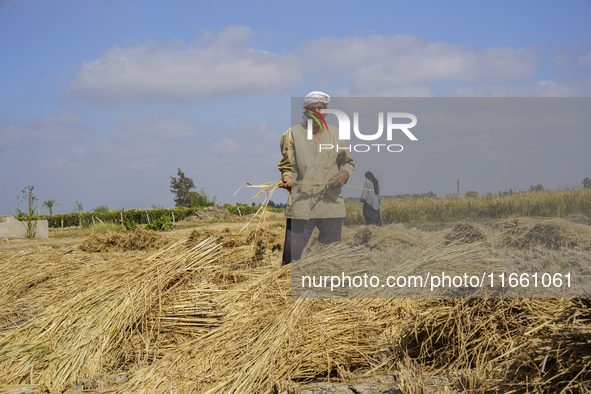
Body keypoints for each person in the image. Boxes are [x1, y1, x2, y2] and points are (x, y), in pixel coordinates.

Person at [278, 91, 355, 266]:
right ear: (305, 111)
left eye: (322, 108)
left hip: (331, 204)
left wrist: (343, 174)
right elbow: (287, 165)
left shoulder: (336, 135)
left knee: (331, 257)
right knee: (291, 256)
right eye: (312, 108)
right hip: (301, 204)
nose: (317, 111)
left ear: (327, 111)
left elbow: (348, 163)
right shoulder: (292, 134)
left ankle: (327, 289)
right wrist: (287, 176)